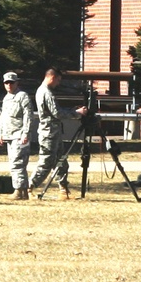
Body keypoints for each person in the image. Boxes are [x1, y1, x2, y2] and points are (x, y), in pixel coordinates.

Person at [29, 68, 87, 199]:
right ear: (52, 77)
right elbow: (57, 113)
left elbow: (56, 110)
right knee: (46, 162)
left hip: (54, 132)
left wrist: (73, 110)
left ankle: (63, 188)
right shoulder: (46, 93)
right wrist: (77, 114)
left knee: (61, 160)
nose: (58, 84)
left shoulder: (43, 91)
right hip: (49, 133)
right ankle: (29, 186)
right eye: (58, 80)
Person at [0, 72, 33, 200]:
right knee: (13, 163)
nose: (9, 85)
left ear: (17, 83)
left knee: (18, 164)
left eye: (11, 82)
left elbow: (28, 116)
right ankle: (22, 191)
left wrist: (25, 133)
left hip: (19, 135)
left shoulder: (22, 96)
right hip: (8, 135)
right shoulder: (6, 98)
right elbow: (3, 117)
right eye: (6, 83)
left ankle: (19, 191)